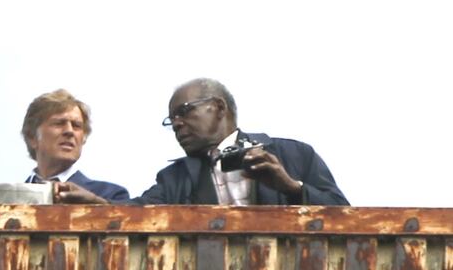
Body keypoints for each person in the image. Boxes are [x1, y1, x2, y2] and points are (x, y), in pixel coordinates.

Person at [55, 78, 348, 205]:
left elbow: (342, 212)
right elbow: (140, 210)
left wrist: (290, 187)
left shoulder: (293, 154)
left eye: (184, 112)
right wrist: (100, 203)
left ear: (218, 108)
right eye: (172, 120)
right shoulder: (175, 177)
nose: (177, 124)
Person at [21, 89, 129, 201]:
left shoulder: (110, 196)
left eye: (76, 126)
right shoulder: (7, 199)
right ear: (32, 137)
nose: (69, 131)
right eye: (59, 123)